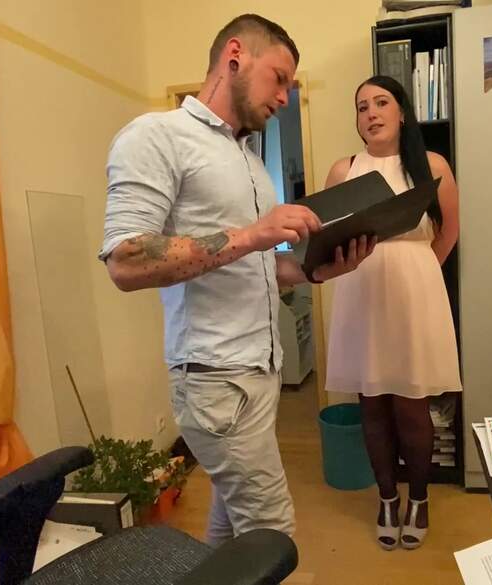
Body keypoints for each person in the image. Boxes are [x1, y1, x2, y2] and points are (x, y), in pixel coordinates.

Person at [98, 14, 374, 546]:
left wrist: (316, 269)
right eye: (279, 79)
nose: (285, 98)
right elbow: (125, 261)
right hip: (217, 381)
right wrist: (252, 234)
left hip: (259, 373)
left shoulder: (248, 162)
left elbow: (258, 269)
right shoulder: (156, 136)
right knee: (271, 535)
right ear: (234, 56)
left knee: (230, 526)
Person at [324, 75, 462, 550]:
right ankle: (386, 498)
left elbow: (449, 231)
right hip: (360, 293)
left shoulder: (431, 164)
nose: (371, 113)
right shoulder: (343, 170)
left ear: (402, 112)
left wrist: (418, 272)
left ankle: (418, 498)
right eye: (362, 106)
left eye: (381, 102)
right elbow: (329, 237)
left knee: (411, 404)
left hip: (414, 296)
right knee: (372, 404)